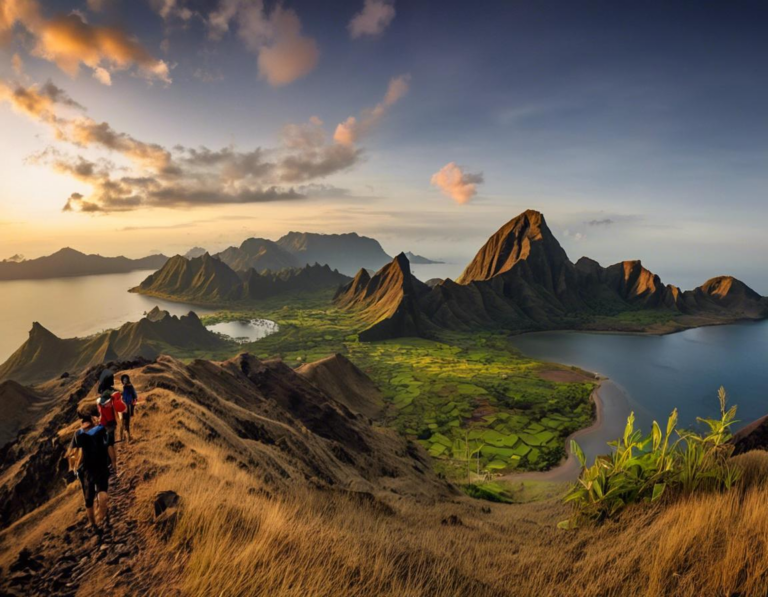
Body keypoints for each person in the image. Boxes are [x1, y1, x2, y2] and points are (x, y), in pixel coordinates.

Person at [68, 406, 111, 530]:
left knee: (88, 499)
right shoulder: (101, 429)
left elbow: (73, 453)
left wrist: (75, 469)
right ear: (92, 419)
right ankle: (102, 516)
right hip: (101, 465)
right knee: (102, 490)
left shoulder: (77, 434)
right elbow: (108, 444)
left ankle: (93, 524)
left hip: (86, 470)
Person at [95, 369, 125, 473]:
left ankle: (113, 465)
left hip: (107, 423)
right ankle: (112, 464)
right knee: (110, 443)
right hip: (112, 422)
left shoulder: (105, 394)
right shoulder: (112, 391)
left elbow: (103, 407)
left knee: (109, 444)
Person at [120, 374, 138, 442]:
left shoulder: (130, 387)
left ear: (127, 380)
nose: (124, 381)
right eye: (123, 380)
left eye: (125, 380)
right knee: (124, 421)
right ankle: (127, 436)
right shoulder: (124, 387)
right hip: (124, 406)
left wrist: (133, 402)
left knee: (127, 421)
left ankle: (128, 437)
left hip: (129, 406)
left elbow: (135, 395)